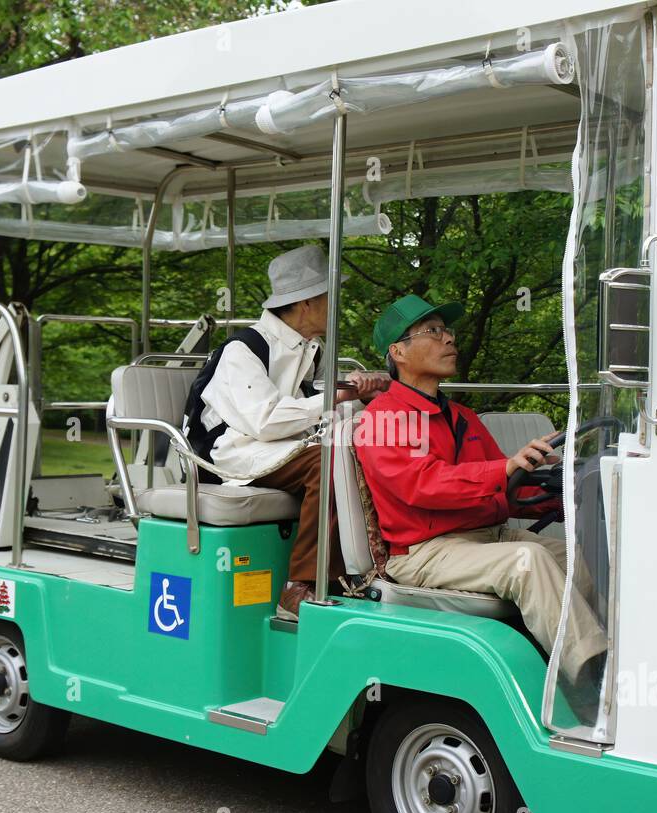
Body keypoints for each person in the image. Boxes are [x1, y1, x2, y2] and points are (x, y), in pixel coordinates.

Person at [354, 293, 608, 722]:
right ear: (397, 352)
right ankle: (594, 685)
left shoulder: (463, 417)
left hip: (485, 539)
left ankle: (616, 658)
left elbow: (506, 488)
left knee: (586, 556)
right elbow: (421, 485)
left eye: (447, 331)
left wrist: (569, 493)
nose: (448, 339)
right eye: (432, 331)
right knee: (527, 560)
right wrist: (503, 467)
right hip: (425, 552)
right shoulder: (383, 418)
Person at [191, 244, 388, 620]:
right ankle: (299, 587)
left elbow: (311, 410)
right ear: (307, 303)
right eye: (331, 296)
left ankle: (365, 570)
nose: (337, 304)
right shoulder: (243, 348)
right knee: (328, 460)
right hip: (232, 453)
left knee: (363, 449)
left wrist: (362, 398)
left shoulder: (310, 349)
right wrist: (337, 396)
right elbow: (264, 420)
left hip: (278, 446)